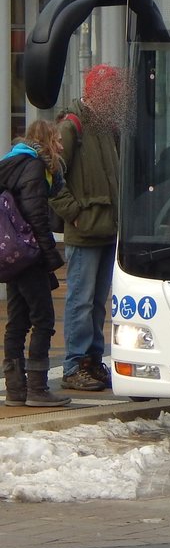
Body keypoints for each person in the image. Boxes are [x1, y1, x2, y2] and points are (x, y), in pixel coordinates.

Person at [51, 64, 125, 392]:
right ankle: (74, 363)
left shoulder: (109, 127)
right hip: (85, 230)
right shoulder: (72, 126)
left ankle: (91, 360)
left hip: (108, 230)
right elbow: (51, 175)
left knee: (97, 301)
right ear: (96, 90)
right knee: (81, 300)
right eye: (112, 90)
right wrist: (73, 213)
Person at [0, 121, 70, 407]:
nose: (61, 146)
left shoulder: (10, 162)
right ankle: (38, 389)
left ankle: (16, 389)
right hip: (28, 254)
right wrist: (50, 253)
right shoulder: (33, 167)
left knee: (17, 320)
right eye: (57, 140)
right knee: (43, 319)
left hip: (12, 253)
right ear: (46, 141)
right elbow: (36, 216)